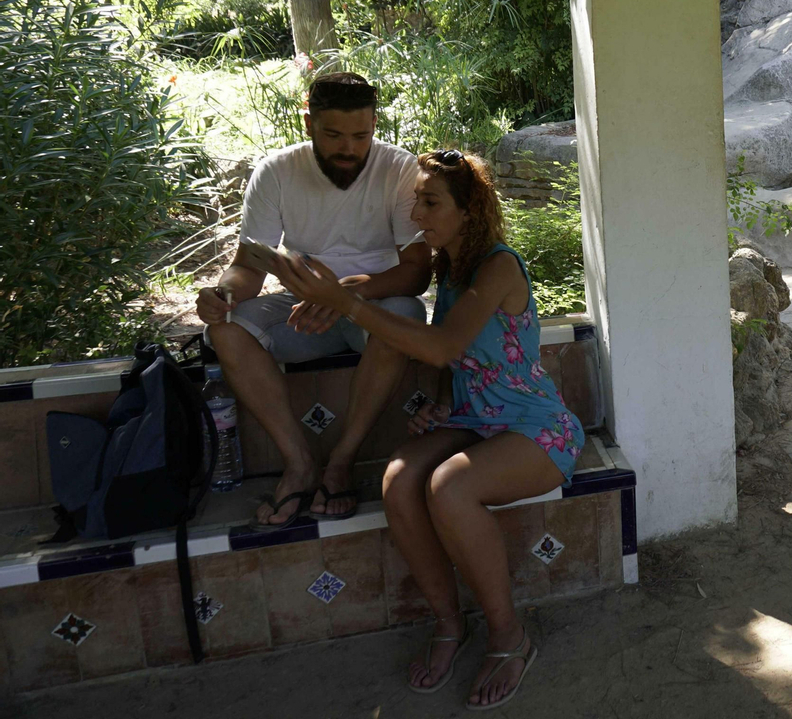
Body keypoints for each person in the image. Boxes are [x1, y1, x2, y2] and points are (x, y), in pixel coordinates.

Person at [278, 149, 583, 710]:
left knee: (450, 487)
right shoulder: (450, 269)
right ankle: (449, 625)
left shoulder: (498, 266)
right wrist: (441, 403)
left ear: (470, 211)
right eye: (416, 200)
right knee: (399, 477)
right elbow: (458, 360)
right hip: (473, 422)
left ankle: (510, 637)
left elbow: (443, 345)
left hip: (536, 428)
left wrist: (345, 300)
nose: (417, 215)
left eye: (430, 202)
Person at [195, 73, 431, 526]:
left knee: (406, 314)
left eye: (361, 136)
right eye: (334, 135)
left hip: (373, 308)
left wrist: (344, 297)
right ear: (308, 124)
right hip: (303, 315)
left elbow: (417, 272)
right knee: (223, 329)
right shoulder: (277, 171)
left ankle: (341, 461)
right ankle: (300, 464)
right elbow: (249, 264)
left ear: (375, 125)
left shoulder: (399, 169)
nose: (349, 148)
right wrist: (222, 293)